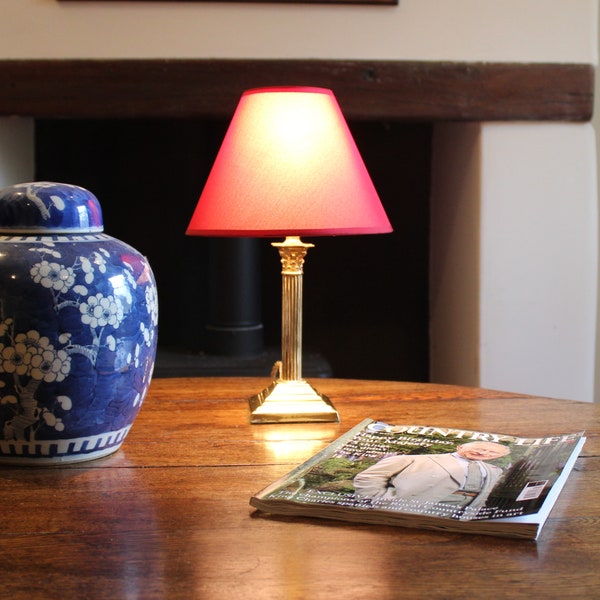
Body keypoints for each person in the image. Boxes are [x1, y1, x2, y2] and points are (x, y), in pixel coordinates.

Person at [353, 441, 510, 511]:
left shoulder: (494, 470)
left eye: (492, 453)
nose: (483, 453)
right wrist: (378, 502)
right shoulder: (416, 459)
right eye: (480, 448)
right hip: (416, 510)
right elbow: (368, 477)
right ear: (460, 447)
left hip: (465, 515)